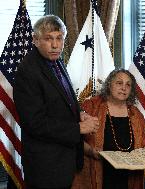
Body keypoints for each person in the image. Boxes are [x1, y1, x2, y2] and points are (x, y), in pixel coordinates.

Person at [13, 15, 99, 189]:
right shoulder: (28, 71)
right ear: (35, 40)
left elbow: (64, 99)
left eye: (59, 38)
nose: (55, 44)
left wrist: (79, 113)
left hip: (63, 160)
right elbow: (34, 123)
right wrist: (78, 129)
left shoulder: (56, 60)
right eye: (48, 39)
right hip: (45, 167)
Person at [71, 69, 145, 189]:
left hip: (129, 176)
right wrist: (90, 151)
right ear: (109, 85)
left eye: (128, 84)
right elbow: (73, 137)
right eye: (119, 83)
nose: (124, 88)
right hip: (97, 172)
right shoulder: (91, 106)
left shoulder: (136, 114)